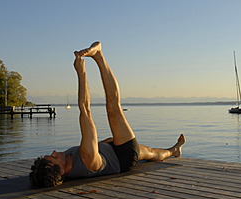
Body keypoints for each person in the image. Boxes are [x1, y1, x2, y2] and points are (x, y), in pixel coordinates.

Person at [30, 42, 186, 187]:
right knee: (113, 109)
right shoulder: (87, 159)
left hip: (107, 148)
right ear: (62, 171)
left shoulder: (64, 165)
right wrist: (81, 72)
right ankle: (99, 56)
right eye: (54, 157)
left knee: (152, 153)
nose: (55, 152)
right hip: (123, 156)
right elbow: (85, 110)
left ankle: (175, 150)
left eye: (51, 154)